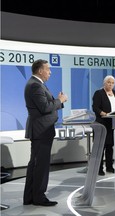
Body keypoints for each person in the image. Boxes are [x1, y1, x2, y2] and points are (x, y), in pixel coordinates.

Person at [23, 59, 68, 206]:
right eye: (48, 69)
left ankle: (30, 197)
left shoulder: (36, 84)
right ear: (40, 70)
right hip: (41, 131)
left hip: (41, 130)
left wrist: (58, 102)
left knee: (35, 165)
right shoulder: (35, 85)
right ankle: (39, 198)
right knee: (40, 165)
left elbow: (46, 105)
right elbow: (44, 107)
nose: (50, 72)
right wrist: (60, 100)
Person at [92, 75, 115, 176]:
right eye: (108, 82)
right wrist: (103, 113)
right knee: (101, 147)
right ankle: (99, 168)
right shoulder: (99, 93)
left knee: (110, 146)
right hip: (101, 124)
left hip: (112, 124)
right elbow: (95, 107)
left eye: (112, 83)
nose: (110, 84)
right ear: (104, 83)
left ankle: (109, 167)